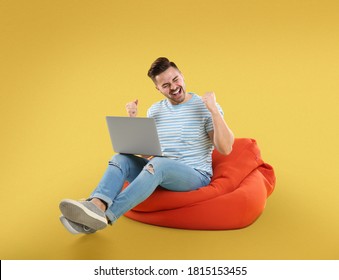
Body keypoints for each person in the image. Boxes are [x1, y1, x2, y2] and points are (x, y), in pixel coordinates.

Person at [59, 57, 234, 234]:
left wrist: (214, 110)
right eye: (165, 85)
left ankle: (106, 215)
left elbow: (225, 148)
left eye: (175, 79)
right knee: (120, 159)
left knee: (159, 164)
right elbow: (148, 154)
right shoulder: (155, 110)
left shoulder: (204, 106)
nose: (173, 87)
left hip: (194, 175)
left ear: (182, 76)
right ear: (157, 88)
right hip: (159, 171)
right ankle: (96, 205)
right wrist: (132, 120)